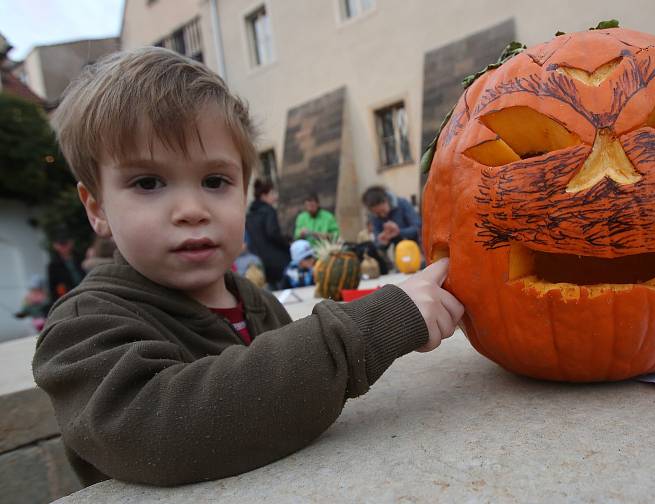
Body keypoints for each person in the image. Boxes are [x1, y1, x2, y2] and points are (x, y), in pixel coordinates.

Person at [32, 47, 463, 488]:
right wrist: (368, 331)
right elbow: (157, 432)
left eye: (215, 181)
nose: (191, 209)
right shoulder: (85, 326)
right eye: (148, 182)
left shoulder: (256, 302)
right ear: (97, 207)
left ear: (244, 190)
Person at [245, 178, 291, 290]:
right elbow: (272, 232)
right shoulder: (269, 211)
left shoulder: (250, 215)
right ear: (263, 196)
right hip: (278, 262)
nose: (275, 197)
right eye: (272, 194)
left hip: (261, 263)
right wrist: (287, 244)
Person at [361, 185, 421, 250]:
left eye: (383, 210)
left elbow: (418, 228)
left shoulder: (402, 204)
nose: (382, 215)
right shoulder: (374, 217)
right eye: (378, 213)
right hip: (399, 251)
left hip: (417, 247)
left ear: (386, 200)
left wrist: (399, 232)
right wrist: (382, 242)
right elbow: (377, 241)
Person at [47, 229, 85, 302]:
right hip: (67, 298)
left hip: (84, 292)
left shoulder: (81, 258)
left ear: (71, 243)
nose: (64, 247)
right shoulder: (53, 265)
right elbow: (52, 289)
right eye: (61, 244)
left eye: (66, 243)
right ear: (55, 245)